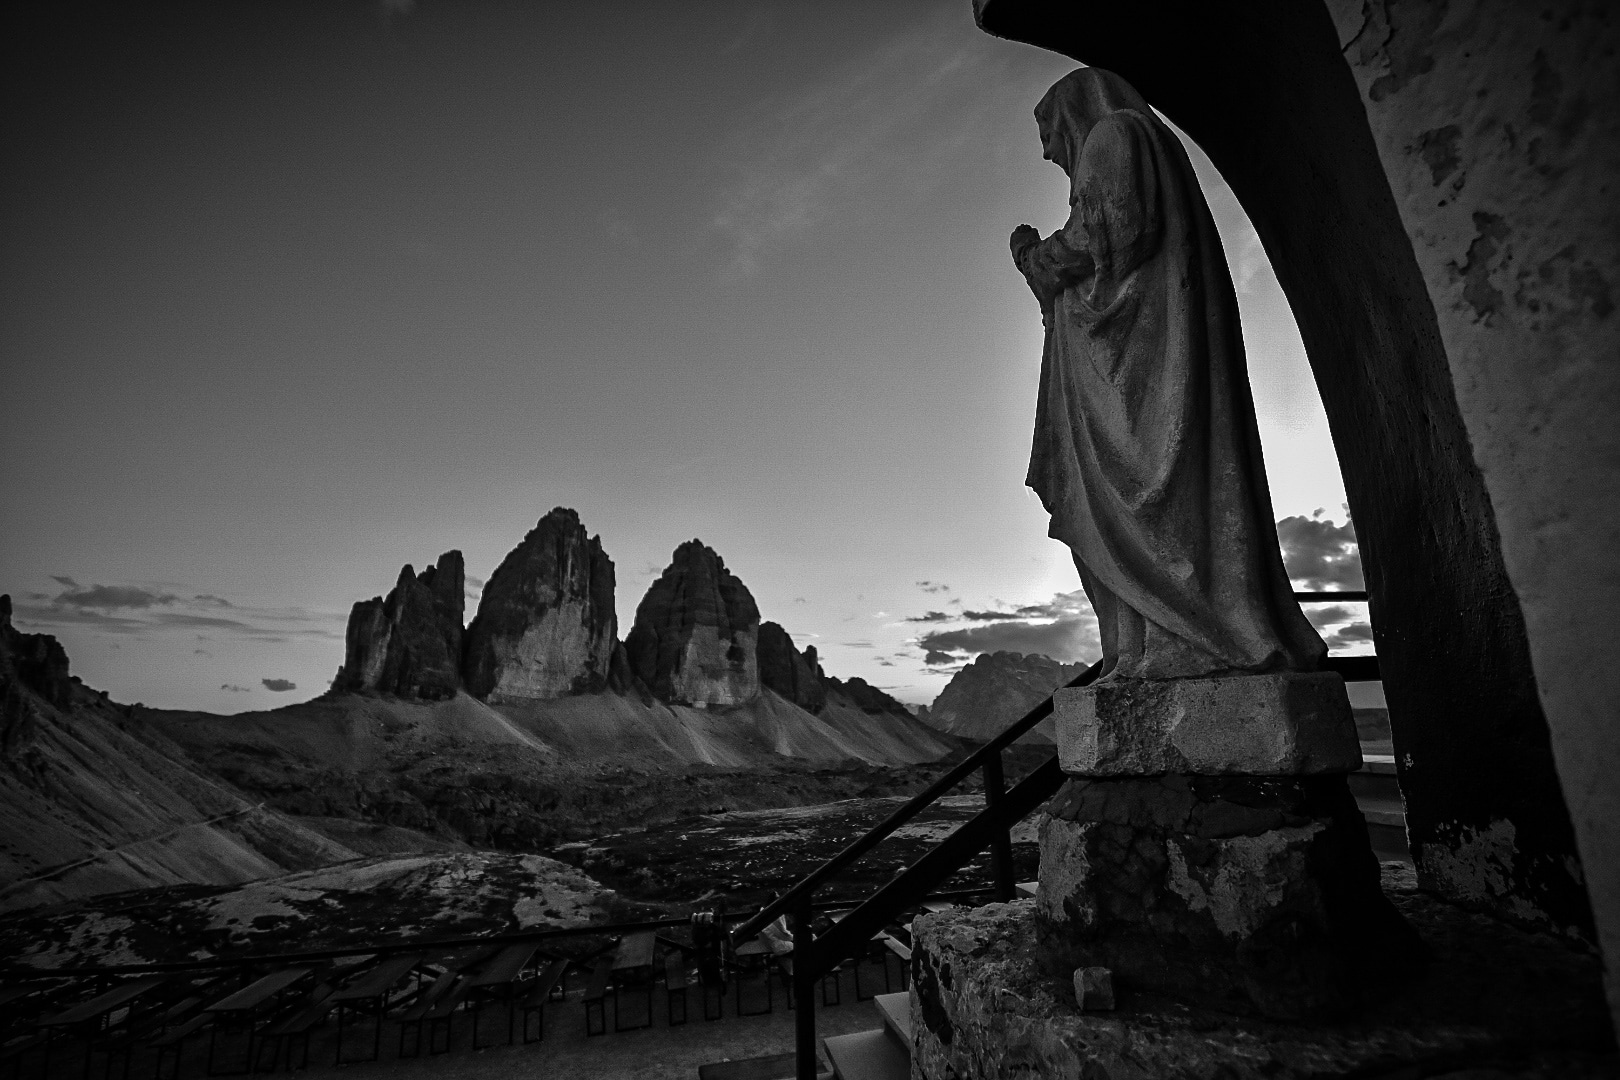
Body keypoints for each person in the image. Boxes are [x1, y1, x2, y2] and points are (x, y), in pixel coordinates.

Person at [1010, 67, 1325, 681]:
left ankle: (1181, 643)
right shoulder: (1135, 143)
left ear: (1071, 111)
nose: (1051, 151)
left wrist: (1034, 256)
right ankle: (1143, 648)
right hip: (1127, 363)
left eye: (1049, 133)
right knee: (1122, 512)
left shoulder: (1115, 137)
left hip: (1130, 378)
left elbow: (1110, 234)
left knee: (1144, 502)